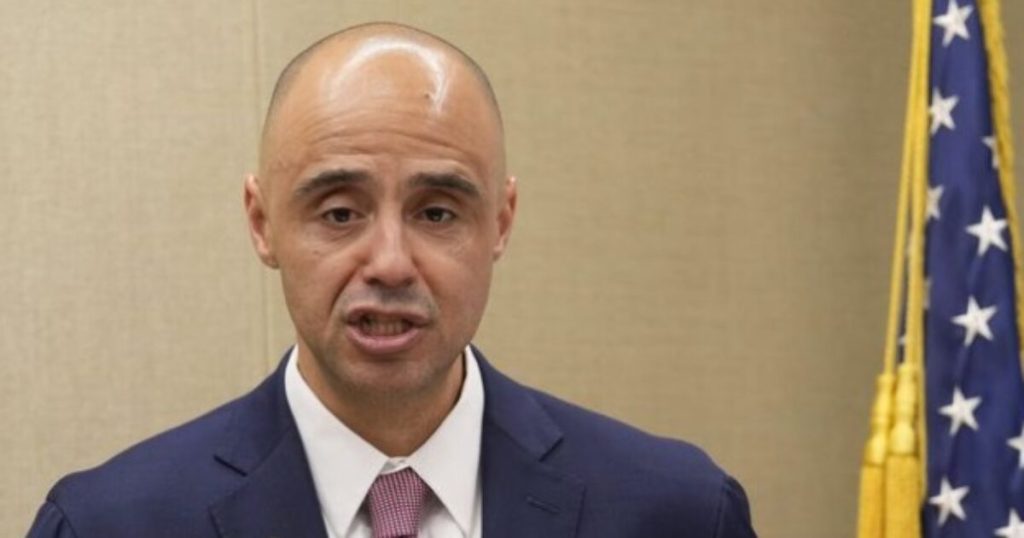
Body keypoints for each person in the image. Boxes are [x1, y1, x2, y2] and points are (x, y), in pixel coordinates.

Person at [27, 22, 756, 538]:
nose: (390, 263)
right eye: (340, 213)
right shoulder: (108, 524)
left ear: (500, 223)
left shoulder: (679, 513)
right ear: (262, 222)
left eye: (437, 213)